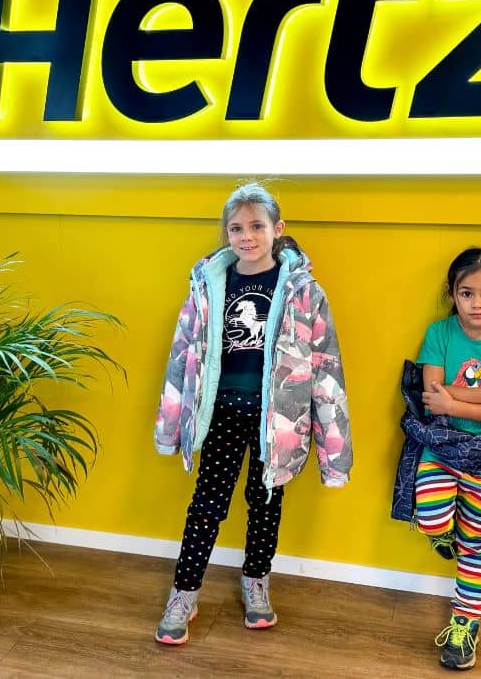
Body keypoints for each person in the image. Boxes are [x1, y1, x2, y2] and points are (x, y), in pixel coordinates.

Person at [153, 181, 352, 645]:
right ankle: (184, 591)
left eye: (257, 226)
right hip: (221, 411)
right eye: (236, 227)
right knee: (207, 506)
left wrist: (333, 449)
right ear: (226, 233)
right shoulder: (207, 287)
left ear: (277, 229)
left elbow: (326, 366)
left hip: (277, 420)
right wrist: (169, 425)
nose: (246, 236)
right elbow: (183, 355)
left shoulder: (304, 292)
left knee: (265, 505)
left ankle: (255, 581)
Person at [391, 247, 481, 670]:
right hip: (440, 448)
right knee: (433, 519)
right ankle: (441, 535)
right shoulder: (439, 333)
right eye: (466, 293)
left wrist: (459, 399)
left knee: (474, 542)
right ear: (452, 294)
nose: (476, 303)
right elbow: (433, 401)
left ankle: (464, 625)